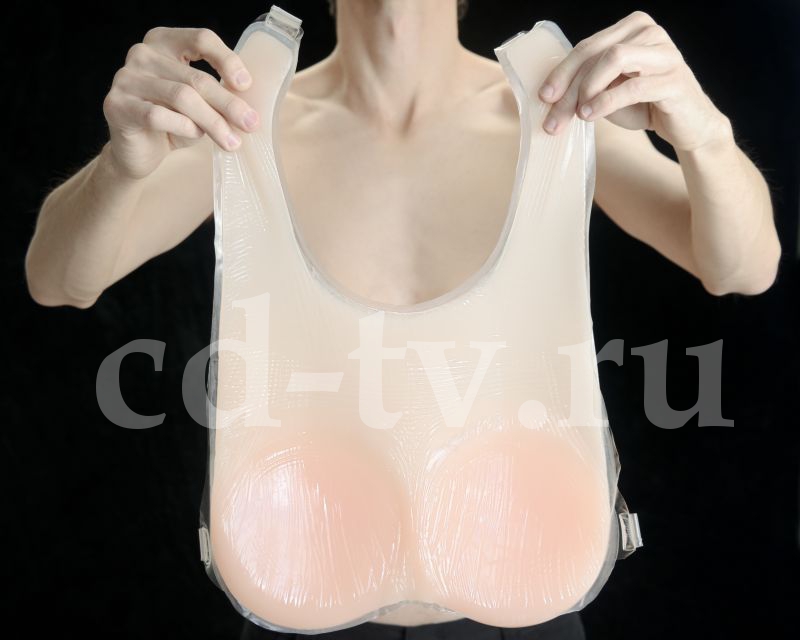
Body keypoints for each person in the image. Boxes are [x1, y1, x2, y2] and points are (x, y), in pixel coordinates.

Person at [24, 0, 781, 637]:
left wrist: (705, 136)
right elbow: (57, 280)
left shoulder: (558, 116)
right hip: (299, 610)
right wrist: (122, 164)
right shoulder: (240, 125)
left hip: (526, 616)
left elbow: (744, 266)